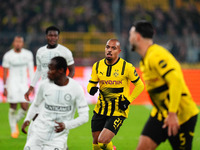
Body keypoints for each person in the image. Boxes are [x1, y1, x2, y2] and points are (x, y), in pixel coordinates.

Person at [129, 20, 199, 150]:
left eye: (130, 35)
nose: (129, 39)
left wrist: (172, 114)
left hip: (181, 115)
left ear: (137, 37)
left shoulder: (156, 55)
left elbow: (176, 81)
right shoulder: (146, 58)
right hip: (161, 114)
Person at [87, 39, 144, 150]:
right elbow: (91, 84)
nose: (109, 50)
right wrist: (91, 90)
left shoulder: (127, 67)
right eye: (107, 47)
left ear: (119, 51)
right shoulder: (97, 66)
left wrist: (128, 100)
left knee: (103, 142)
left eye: (113, 48)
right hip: (100, 109)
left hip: (118, 111)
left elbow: (140, 85)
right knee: (96, 144)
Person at [22, 56, 89, 150]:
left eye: (51, 69)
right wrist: (28, 118)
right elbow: (36, 104)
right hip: (38, 133)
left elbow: (84, 117)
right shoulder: (44, 85)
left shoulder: (76, 88)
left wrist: (66, 125)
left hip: (57, 138)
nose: (47, 72)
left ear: (61, 70)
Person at [24, 25, 75, 101]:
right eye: (50, 35)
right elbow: (39, 71)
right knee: (38, 112)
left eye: (55, 36)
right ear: (46, 36)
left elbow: (72, 71)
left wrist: (64, 85)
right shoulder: (40, 51)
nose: (53, 38)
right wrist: (31, 88)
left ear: (58, 37)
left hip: (59, 90)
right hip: (44, 88)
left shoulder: (65, 52)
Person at [2, 36, 34, 138]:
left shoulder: (28, 54)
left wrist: (32, 85)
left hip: (23, 84)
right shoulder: (8, 55)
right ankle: (13, 130)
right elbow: (5, 72)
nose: (18, 44)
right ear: (13, 43)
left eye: (20, 42)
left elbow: (31, 70)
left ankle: (14, 121)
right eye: (16, 41)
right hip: (12, 84)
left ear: (22, 44)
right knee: (13, 106)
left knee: (25, 107)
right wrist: (5, 86)